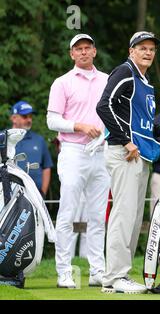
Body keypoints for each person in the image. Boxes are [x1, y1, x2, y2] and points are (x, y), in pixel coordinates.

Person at [96, 31, 160, 294]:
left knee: (132, 218)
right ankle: (115, 277)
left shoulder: (143, 80)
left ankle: (120, 274)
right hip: (125, 153)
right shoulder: (124, 71)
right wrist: (124, 141)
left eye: (152, 49)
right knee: (123, 214)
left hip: (140, 154)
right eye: (142, 48)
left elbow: (141, 121)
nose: (148, 52)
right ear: (131, 50)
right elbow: (103, 106)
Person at [47, 34, 110, 289]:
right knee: (68, 213)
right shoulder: (62, 83)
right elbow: (52, 120)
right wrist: (80, 126)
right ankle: (64, 271)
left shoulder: (107, 80)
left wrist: (104, 134)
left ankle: (98, 270)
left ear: (94, 51)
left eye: (87, 48)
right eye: (78, 49)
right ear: (72, 54)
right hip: (73, 151)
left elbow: (113, 115)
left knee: (97, 216)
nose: (83, 52)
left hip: (101, 152)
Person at [10, 101, 53, 197]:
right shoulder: (3, 138)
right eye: (25, 117)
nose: (29, 120)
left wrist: (43, 193)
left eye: (30, 116)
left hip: (35, 195)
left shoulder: (39, 140)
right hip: (8, 194)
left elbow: (46, 167)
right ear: (14, 118)